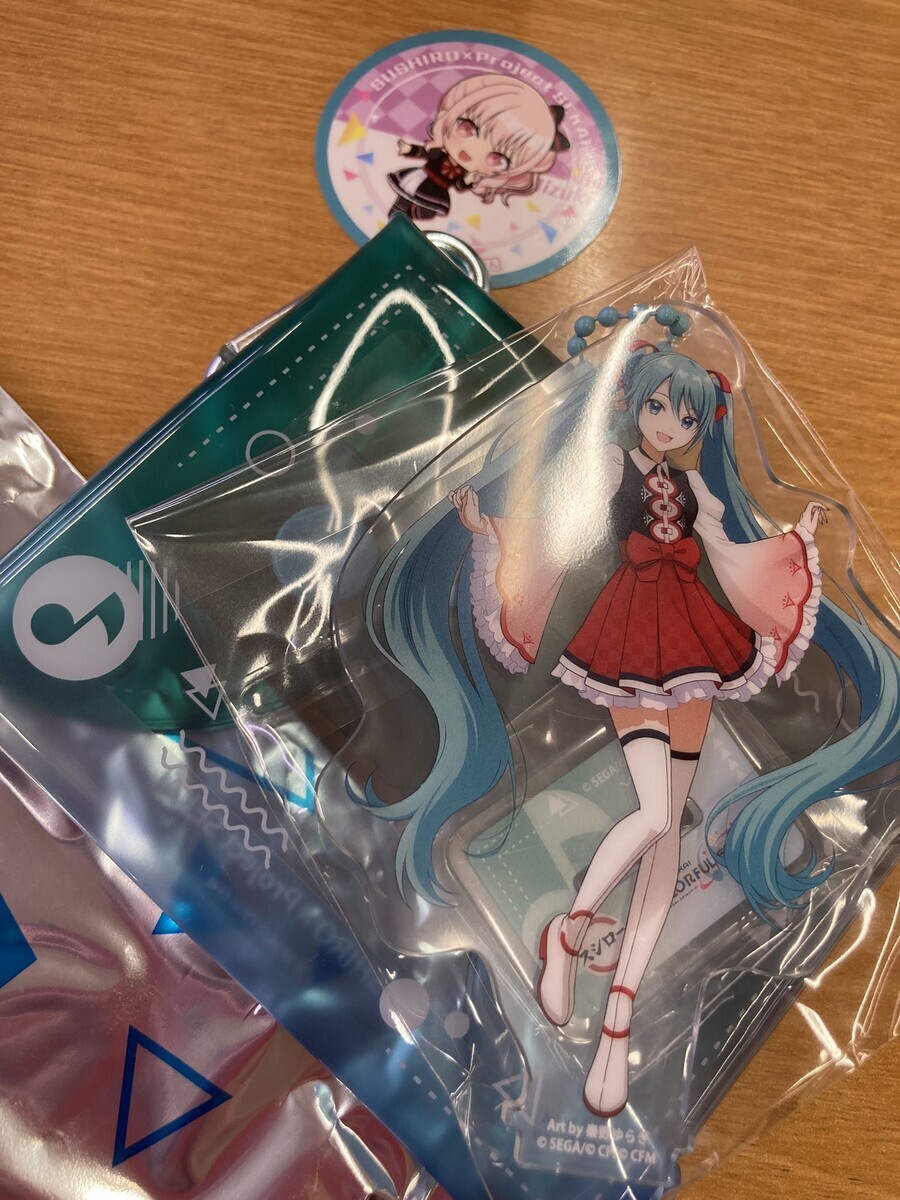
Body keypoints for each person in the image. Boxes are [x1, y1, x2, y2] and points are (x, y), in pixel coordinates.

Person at [357, 311, 900, 1119]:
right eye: (658, 407)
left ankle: (615, 1023)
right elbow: (559, 529)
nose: (671, 425)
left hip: (695, 643)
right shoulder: (610, 463)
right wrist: (491, 529)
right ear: (634, 403)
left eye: (687, 416)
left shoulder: (691, 486)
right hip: (628, 643)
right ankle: (571, 932)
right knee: (651, 816)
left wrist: (796, 544)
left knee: (668, 829)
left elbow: (726, 548)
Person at [387, 72, 568, 221]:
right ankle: (396, 214)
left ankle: (405, 222)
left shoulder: (466, 173)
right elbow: (426, 153)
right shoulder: (440, 154)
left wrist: (467, 181)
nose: (474, 150)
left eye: (498, 159)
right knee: (404, 196)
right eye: (467, 128)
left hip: (437, 191)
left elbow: (459, 186)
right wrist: (409, 150)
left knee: (427, 211)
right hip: (420, 178)